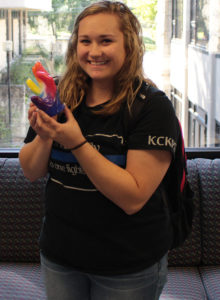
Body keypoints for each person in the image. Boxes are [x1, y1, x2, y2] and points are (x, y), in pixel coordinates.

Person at [19, 1, 181, 299]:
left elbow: (133, 198)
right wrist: (44, 135)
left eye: (106, 40)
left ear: (128, 46)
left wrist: (77, 143)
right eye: (85, 41)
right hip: (60, 256)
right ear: (75, 45)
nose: (94, 52)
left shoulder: (152, 107)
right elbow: (30, 171)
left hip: (128, 264)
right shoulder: (59, 92)